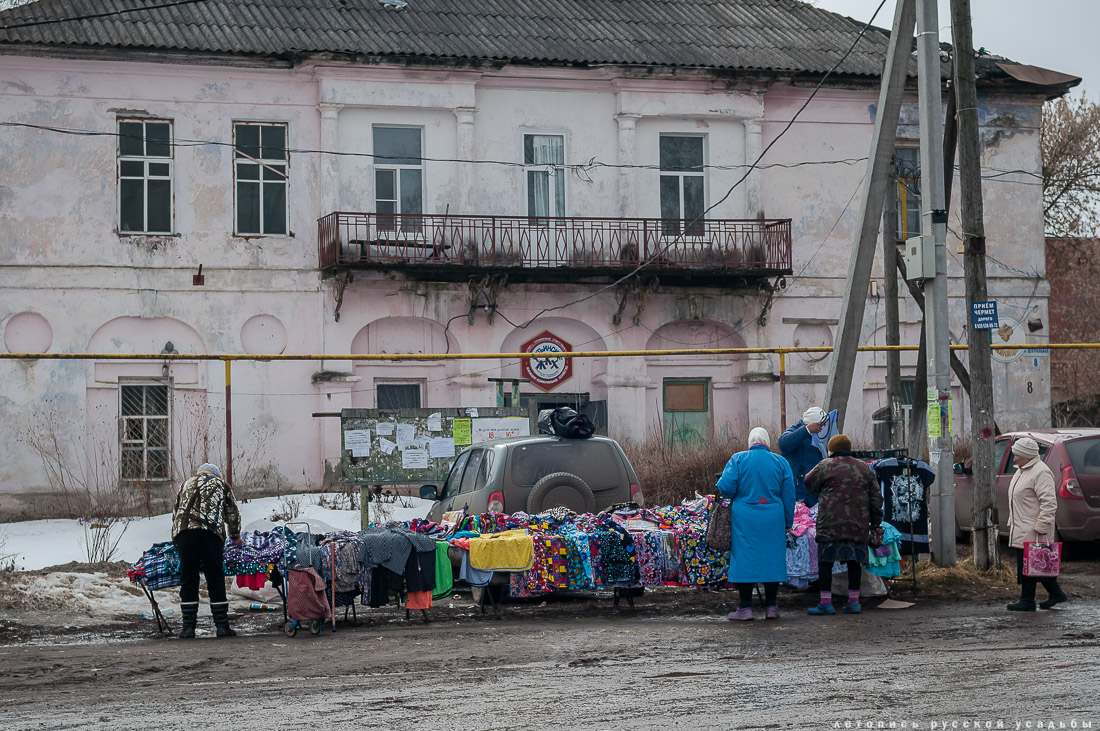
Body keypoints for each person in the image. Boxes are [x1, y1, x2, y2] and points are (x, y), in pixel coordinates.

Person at [715, 427, 796, 621]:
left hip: (745, 517)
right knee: (772, 559)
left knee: (745, 558)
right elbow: (789, 495)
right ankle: (771, 607)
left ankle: (745, 608)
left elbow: (725, 487)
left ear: (750, 442)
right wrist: (787, 521)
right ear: (767, 442)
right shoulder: (781, 462)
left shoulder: (738, 459)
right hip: (773, 516)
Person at [804, 434, 882, 615]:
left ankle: (825, 603)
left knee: (825, 563)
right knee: (855, 562)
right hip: (858, 525)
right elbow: (876, 498)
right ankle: (854, 602)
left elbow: (809, 483)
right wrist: (876, 523)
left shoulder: (824, 465)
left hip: (830, 524)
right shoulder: (865, 468)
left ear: (832, 450)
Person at [171, 463, 244, 638]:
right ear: (216, 475)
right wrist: (235, 535)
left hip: (184, 534)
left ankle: (188, 628)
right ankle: (221, 626)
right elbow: (232, 512)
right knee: (215, 577)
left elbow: (175, 513)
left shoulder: (186, 483)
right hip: (210, 533)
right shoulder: (220, 484)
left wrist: (177, 541)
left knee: (188, 578)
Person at [1006, 437, 1068, 611]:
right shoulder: (1021, 470)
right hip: (1022, 526)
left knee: (1031, 565)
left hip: (1034, 528)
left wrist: (1042, 526)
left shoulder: (1041, 472)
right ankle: (1055, 594)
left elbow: (1049, 503)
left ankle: (1027, 600)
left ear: (1026, 455)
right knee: (1032, 564)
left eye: (1017, 454)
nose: (1014, 458)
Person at [778, 406, 828, 506]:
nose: (825, 427)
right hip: (799, 492)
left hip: (816, 492)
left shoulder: (821, 437)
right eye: (822, 425)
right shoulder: (796, 431)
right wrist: (806, 430)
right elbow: (783, 444)